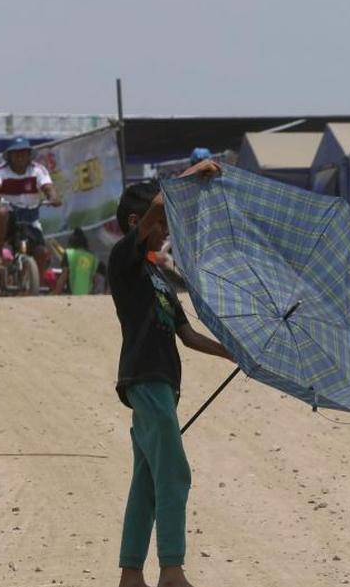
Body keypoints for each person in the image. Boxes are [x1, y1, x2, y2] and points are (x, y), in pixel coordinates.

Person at [109, 159, 234, 587]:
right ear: (137, 221)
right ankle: (172, 571)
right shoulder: (124, 260)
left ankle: (130, 574)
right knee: (175, 474)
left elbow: (188, 335)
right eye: (162, 222)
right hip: (145, 381)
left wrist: (235, 354)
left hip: (162, 387)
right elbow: (160, 203)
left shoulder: (158, 277)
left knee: (147, 479)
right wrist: (190, 174)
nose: (167, 230)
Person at [0, 137, 63, 274]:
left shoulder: (38, 170)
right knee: (1, 212)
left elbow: (49, 188)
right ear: (10, 156)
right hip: (10, 218)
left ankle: (36, 288)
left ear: (29, 155)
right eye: (16, 153)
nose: (20, 156)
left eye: (24, 152)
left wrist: (53, 198)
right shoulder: (0, 171)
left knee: (42, 252)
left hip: (31, 219)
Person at [53, 227, 106, 295]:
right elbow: (99, 278)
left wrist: (55, 294)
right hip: (88, 297)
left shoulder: (69, 254)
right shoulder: (93, 258)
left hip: (72, 295)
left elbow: (63, 277)